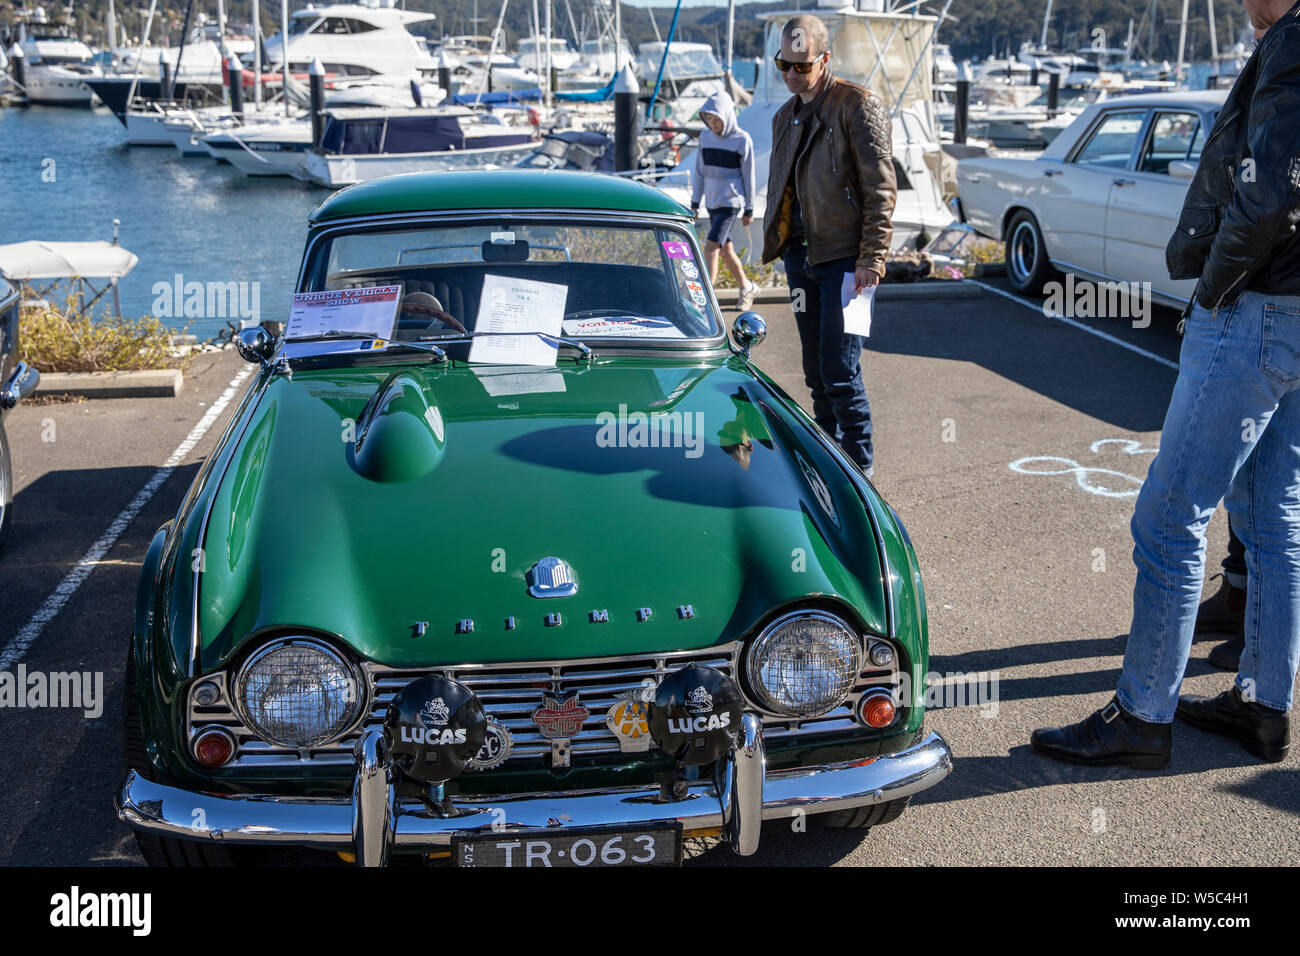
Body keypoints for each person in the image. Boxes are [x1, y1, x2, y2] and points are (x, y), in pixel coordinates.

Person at [1032, 0, 1300, 769]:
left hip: (1258, 308)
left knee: (1169, 516)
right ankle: (1262, 707)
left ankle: (1142, 715)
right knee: (1273, 514)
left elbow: (1274, 189)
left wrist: (1215, 291)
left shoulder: (1293, 44)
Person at [760, 14, 896, 477]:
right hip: (802, 260)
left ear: (825, 59)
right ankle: (829, 460)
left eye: (803, 65)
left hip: (846, 263)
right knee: (816, 375)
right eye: (785, 64)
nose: (793, 74)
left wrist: (872, 258)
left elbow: (881, 188)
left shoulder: (858, 105)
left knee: (841, 373)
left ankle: (861, 473)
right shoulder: (784, 116)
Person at [690, 90, 759, 310]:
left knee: (711, 247)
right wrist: (694, 202)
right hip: (712, 202)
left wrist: (749, 208)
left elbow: (749, 176)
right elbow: (700, 172)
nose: (713, 124)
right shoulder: (705, 137)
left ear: (727, 116)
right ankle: (747, 287)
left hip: (731, 203)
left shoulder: (742, 140)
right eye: (709, 119)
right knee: (726, 251)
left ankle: (706, 302)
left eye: (717, 119)